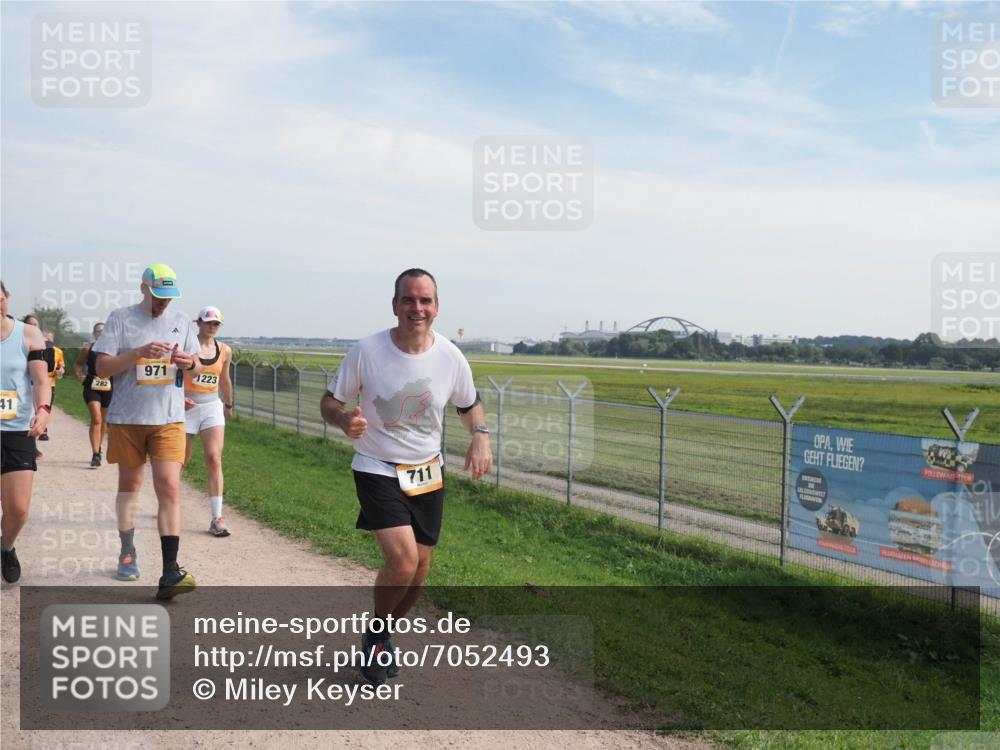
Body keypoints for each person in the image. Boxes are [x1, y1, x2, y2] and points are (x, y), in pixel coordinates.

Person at [320, 268, 492, 685]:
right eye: (409, 300)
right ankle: (379, 639)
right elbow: (329, 401)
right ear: (395, 305)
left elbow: (469, 407)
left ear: (437, 307)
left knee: (421, 570)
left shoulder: (451, 357)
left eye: (426, 300)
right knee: (403, 560)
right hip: (377, 466)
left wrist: (481, 437)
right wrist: (344, 420)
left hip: (427, 471)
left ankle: (379, 633)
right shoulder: (368, 350)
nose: (418, 308)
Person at [94, 264, 202, 600]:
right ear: (143, 288)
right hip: (128, 417)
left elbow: (198, 367)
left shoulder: (182, 322)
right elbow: (102, 367)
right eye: (157, 296)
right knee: (130, 486)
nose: (163, 303)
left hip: (168, 418)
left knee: (169, 485)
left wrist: (189, 363)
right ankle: (127, 552)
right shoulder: (121, 318)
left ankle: (170, 570)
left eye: (168, 297)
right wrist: (138, 353)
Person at [1, 282, 52, 583]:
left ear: (7, 298)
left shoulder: (28, 335)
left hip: (17, 430)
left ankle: (6, 547)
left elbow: (40, 380)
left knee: (18, 509)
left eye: (0, 299)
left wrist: (43, 411)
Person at [182, 306, 233, 537]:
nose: (212, 327)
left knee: (214, 458)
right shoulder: (185, 346)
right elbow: (171, 376)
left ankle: (217, 517)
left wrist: (229, 405)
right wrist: (179, 398)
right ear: (198, 323)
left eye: (216, 324)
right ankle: (167, 501)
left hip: (212, 406)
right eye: (208, 322)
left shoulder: (224, 350)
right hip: (186, 407)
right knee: (180, 460)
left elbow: (225, 380)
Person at [75, 322, 113, 467]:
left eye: (103, 331)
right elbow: (79, 363)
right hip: (92, 385)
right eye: (98, 331)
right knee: (96, 418)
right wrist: (79, 374)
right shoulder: (88, 348)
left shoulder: (113, 349)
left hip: (109, 386)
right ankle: (95, 453)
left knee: (103, 421)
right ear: (94, 334)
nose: (101, 334)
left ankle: (99, 446)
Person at [38, 331, 64, 442]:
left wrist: (60, 371)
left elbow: (61, 367)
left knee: (46, 407)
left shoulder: (58, 351)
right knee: (34, 407)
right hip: (36, 383)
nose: (47, 342)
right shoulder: (36, 349)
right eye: (45, 339)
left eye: (50, 340)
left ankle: (43, 430)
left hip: (50, 383)